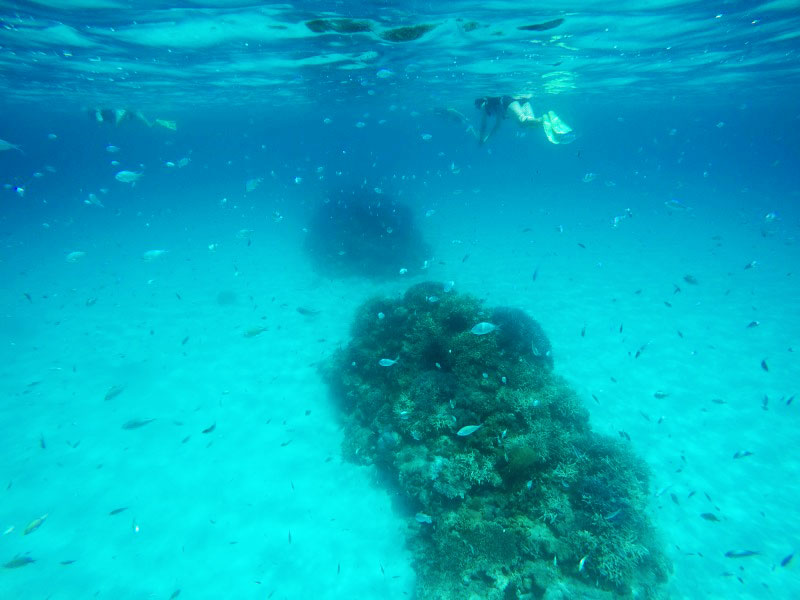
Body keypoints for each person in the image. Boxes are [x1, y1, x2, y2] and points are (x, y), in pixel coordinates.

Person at [473, 95, 573, 145]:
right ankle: (547, 120)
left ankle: (545, 118)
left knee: (523, 121)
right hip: (521, 101)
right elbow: (497, 124)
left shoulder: (485, 106)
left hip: (508, 101)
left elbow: (488, 125)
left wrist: (483, 138)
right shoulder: (490, 105)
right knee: (528, 124)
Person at [88, 107, 177, 131]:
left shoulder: (97, 110)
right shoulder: (98, 110)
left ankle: (127, 110)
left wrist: (99, 122)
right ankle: (157, 121)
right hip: (130, 111)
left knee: (117, 126)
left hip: (122, 111)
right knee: (149, 125)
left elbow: (100, 119)